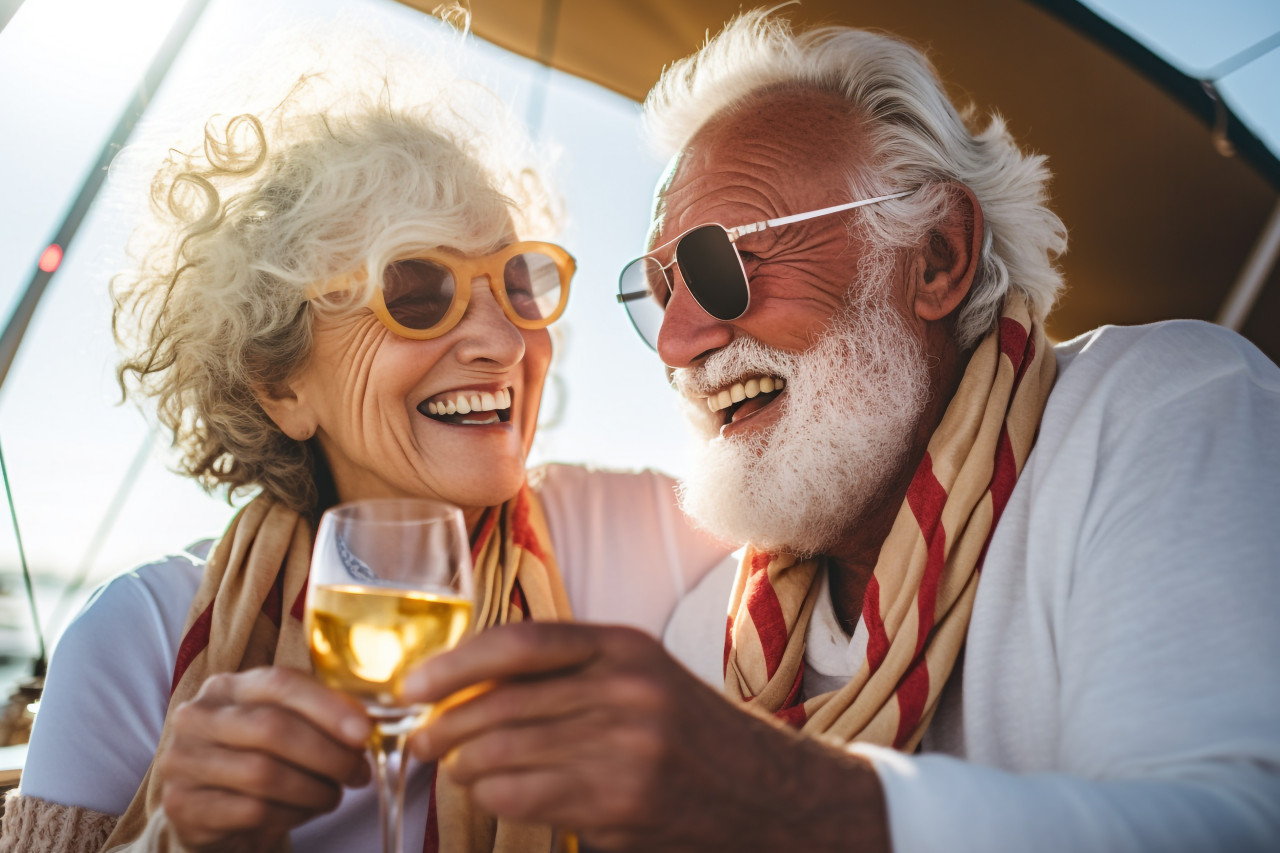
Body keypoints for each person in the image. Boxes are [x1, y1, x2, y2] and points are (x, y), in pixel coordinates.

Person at [401, 10, 1280, 852]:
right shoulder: (712, 634)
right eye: (663, 289)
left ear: (935, 257)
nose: (678, 342)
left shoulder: (1156, 413)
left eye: (722, 262)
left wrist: (782, 796)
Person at [0, 41, 729, 853]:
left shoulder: (657, 538)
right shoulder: (137, 643)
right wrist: (162, 838)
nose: (503, 340)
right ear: (281, 385)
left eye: (518, 283)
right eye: (417, 291)